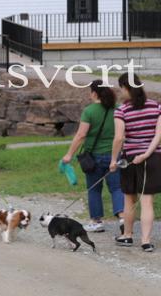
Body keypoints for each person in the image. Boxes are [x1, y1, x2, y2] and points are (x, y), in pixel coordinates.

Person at [110, 73, 161, 253]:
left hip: (130, 158)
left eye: (121, 88)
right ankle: (146, 241)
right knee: (147, 201)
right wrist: (146, 153)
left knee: (129, 198)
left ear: (127, 88)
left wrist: (114, 160)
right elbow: (159, 135)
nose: (120, 92)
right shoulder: (156, 106)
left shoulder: (121, 110)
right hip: (153, 157)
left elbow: (119, 138)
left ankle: (127, 236)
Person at [62, 80, 124, 233]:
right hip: (114, 156)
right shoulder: (118, 109)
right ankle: (123, 218)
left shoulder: (89, 111)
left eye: (90, 92)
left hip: (94, 158)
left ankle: (96, 221)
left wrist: (69, 154)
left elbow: (81, 135)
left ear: (94, 93)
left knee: (94, 189)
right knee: (117, 188)